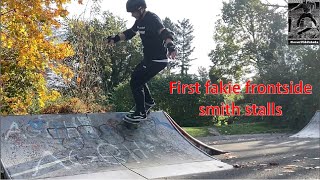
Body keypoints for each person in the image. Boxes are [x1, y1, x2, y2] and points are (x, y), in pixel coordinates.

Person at [106, 0, 177, 121]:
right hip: (149, 59)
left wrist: (171, 46)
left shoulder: (152, 18)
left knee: (136, 82)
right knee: (137, 78)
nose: (131, 14)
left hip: (158, 60)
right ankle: (148, 103)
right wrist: (115, 38)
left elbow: (163, 32)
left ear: (140, 8)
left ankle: (140, 112)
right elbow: (130, 33)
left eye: (133, 12)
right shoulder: (139, 21)